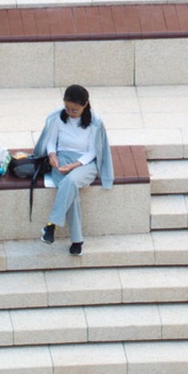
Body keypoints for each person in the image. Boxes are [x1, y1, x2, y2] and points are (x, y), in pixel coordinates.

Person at [30, 83, 113, 257]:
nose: (70, 112)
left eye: (75, 110)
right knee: (71, 194)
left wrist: (75, 165)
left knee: (70, 182)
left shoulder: (95, 122)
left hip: (85, 163)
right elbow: (51, 142)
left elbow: (93, 151)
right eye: (67, 108)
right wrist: (52, 155)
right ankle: (77, 241)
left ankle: (51, 225)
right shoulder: (58, 118)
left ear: (85, 105)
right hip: (61, 159)